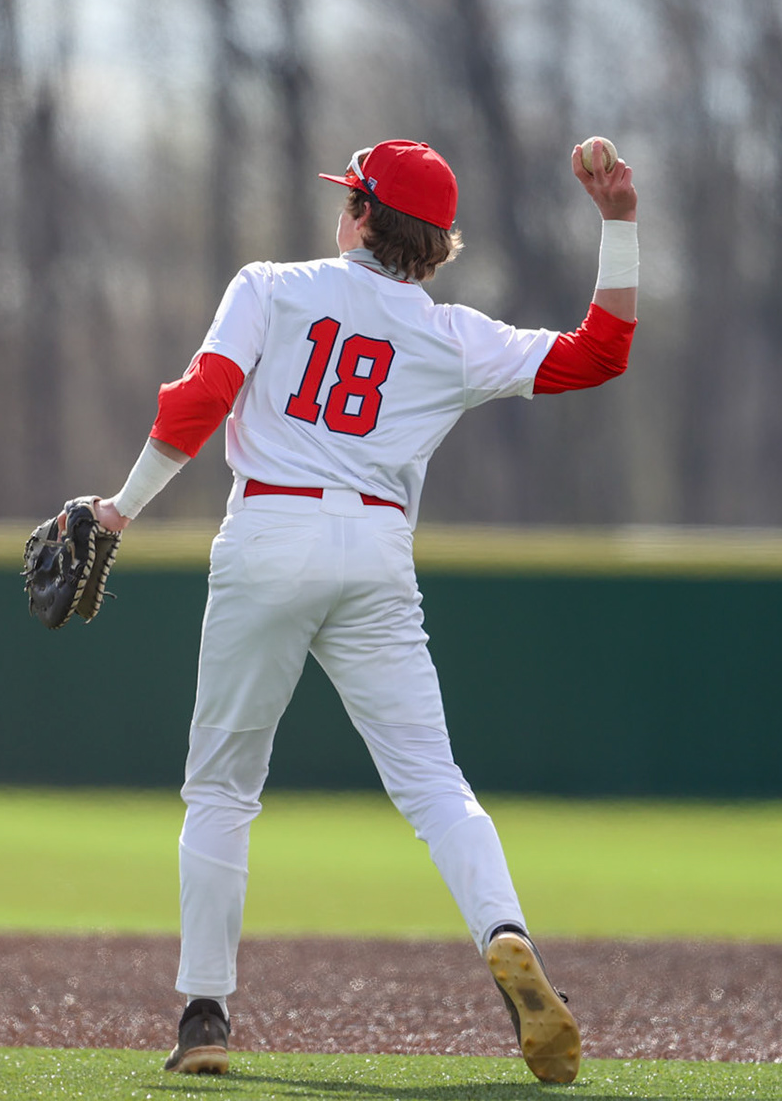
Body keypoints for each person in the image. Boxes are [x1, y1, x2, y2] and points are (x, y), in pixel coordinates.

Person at [92, 137, 639, 1081]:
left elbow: (201, 400)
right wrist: (621, 224)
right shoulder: (453, 334)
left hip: (270, 532)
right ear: (435, 246)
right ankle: (503, 930)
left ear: (359, 216)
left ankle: (206, 1016)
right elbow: (600, 355)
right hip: (376, 552)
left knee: (223, 788)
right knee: (434, 784)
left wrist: (118, 509)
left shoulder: (269, 286)